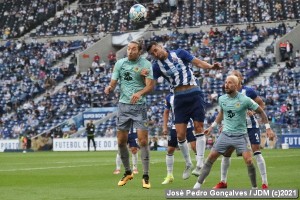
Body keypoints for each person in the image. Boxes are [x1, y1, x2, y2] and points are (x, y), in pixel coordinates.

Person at [146, 41, 222, 179]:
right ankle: (188, 163)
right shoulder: (156, 67)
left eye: (156, 50)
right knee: (180, 135)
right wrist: (144, 77)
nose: (156, 54)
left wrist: (211, 66)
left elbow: (198, 63)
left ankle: (199, 163)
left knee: (199, 128)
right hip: (179, 99)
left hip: (194, 93)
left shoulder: (179, 53)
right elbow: (151, 85)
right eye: (153, 53)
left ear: (161, 46)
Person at [193, 75, 275, 189]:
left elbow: (261, 111)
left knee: (249, 160)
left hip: (241, 135)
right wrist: (213, 126)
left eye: (230, 83)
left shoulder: (245, 99)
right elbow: (222, 113)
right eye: (226, 82)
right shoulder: (221, 98)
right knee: (211, 157)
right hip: (225, 134)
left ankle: (255, 188)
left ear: (236, 86)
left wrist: (268, 128)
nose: (226, 84)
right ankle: (197, 186)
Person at [104, 40, 154, 189]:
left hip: (139, 107)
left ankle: (145, 175)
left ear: (139, 51)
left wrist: (140, 93)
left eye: (133, 49)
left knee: (143, 141)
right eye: (128, 49)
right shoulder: (120, 63)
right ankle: (127, 172)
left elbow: (150, 86)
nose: (130, 51)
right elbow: (113, 82)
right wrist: (109, 87)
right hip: (123, 106)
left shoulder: (146, 65)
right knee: (121, 142)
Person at [161, 92, 198, 185]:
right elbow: (166, 112)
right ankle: (169, 175)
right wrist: (164, 127)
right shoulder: (169, 97)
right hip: (174, 125)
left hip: (188, 124)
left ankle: (200, 173)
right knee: (170, 150)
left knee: (195, 147)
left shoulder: (187, 92)